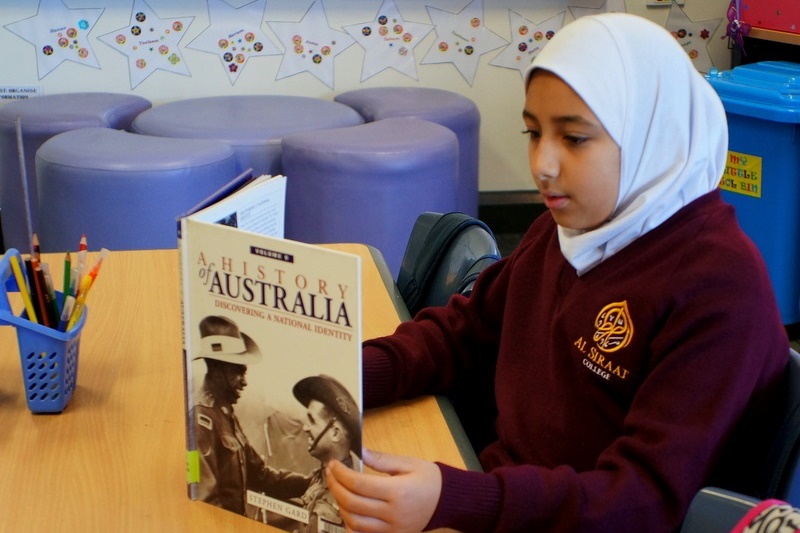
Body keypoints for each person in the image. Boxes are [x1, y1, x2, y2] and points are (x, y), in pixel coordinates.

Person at [325, 12, 790, 533]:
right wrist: (342, 374)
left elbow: (644, 502)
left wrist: (457, 498)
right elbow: (466, 333)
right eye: (533, 132)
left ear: (650, 136)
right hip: (509, 499)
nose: (542, 164)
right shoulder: (575, 226)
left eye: (574, 139)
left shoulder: (718, 287)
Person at [191, 315, 309, 515]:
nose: (244, 382)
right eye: (239, 372)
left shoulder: (226, 416)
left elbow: (261, 475)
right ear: (217, 369)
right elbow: (205, 500)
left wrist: (312, 482)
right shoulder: (201, 419)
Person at [291, 374, 362, 533]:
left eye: (312, 421)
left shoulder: (351, 494)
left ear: (336, 434)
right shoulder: (319, 477)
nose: (305, 428)